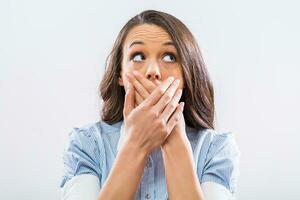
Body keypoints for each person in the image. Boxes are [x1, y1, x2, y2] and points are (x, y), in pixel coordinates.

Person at [60, 9, 240, 200]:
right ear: (120, 75)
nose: (153, 71)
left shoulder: (216, 150)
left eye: (170, 57)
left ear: (186, 75)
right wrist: (136, 144)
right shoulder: (86, 145)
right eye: (138, 57)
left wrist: (174, 142)